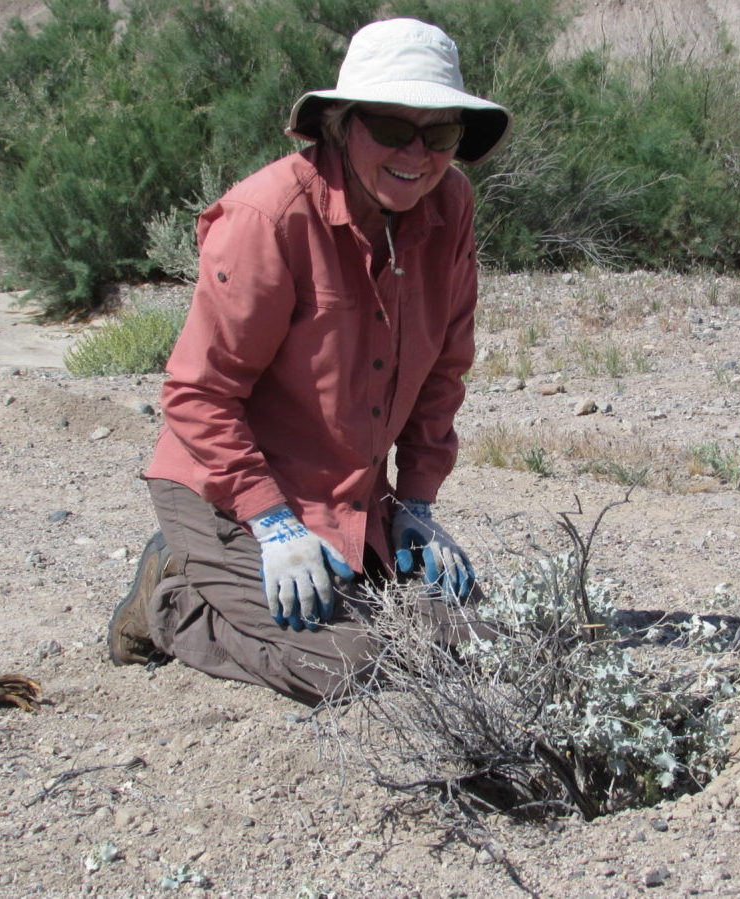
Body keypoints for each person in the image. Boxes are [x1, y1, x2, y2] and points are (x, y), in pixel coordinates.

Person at [106, 18, 512, 707]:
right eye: (390, 127)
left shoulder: (451, 207)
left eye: (438, 134)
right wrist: (271, 521)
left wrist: (415, 502)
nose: (416, 153)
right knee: (353, 666)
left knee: (464, 637)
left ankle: (283, 575)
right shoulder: (268, 218)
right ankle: (174, 597)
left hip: (347, 488)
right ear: (340, 124)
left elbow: (444, 370)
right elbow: (197, 393)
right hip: (228, 488)